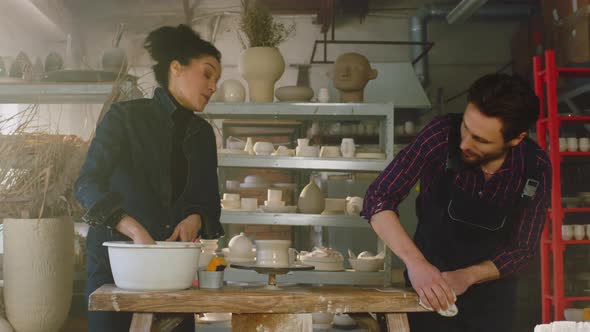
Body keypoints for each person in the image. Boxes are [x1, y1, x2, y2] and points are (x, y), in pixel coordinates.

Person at [362, 73, 551, 331]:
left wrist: (468, 276)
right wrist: (416, 264)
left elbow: (522, 248)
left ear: (516, 139)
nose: (464, 144)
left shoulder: (534, 167)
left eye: (481, 140)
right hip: (426, 290)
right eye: (465, 127)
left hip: (493, 305)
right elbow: (378, 198)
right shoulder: (440, 136)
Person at [74, 24, 224, 332]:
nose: (213, 86)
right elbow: (87, 184)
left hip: (171, 275)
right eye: (207, 74)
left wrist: (195, 219)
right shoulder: (124, 118)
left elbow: (210, 201)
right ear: (176, 68)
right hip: (115, 269)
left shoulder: (203, 135)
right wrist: (132, 228)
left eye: (217, 80)